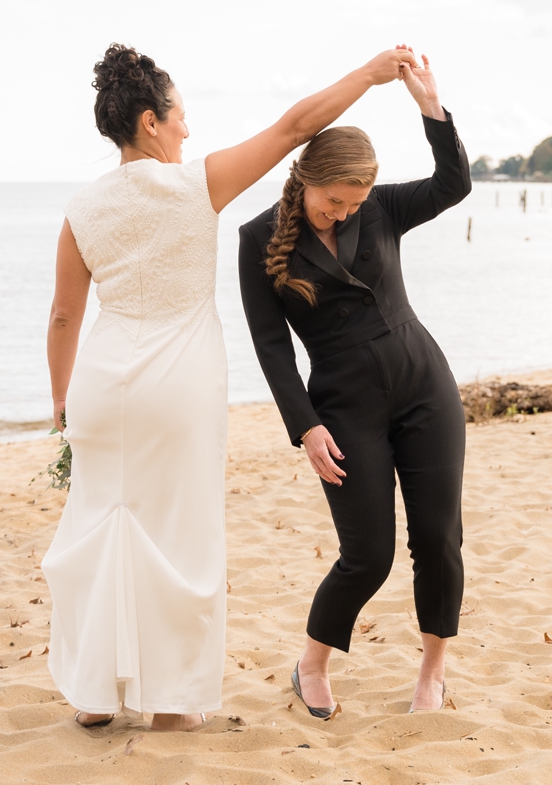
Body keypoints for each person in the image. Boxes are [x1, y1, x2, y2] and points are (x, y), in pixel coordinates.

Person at [42, 42, 419, 732]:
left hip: (101, 382)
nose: (189, 128)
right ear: (151, 121)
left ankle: (94, 697)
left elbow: (65, 316)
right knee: (179, 536)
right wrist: (369, 75)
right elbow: (296, 128)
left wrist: (62, 402)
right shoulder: (196, 187)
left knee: (100, 524)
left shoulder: (82, 208)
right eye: (181, 115)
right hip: (177, 382)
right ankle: (172, 705)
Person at [236, 52, 469, 715]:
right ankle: (311, 664)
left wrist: (431, 109)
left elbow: (452, 185)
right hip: (344, 411)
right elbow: (271, 345)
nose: (344, 213)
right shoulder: (257, 242)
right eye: (334, 201)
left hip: (425, 389)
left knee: (439, 539)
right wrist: (304, 426)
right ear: (305, 180)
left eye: (356, 203)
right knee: (368, 555)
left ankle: (431, 672)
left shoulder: (383, 209)